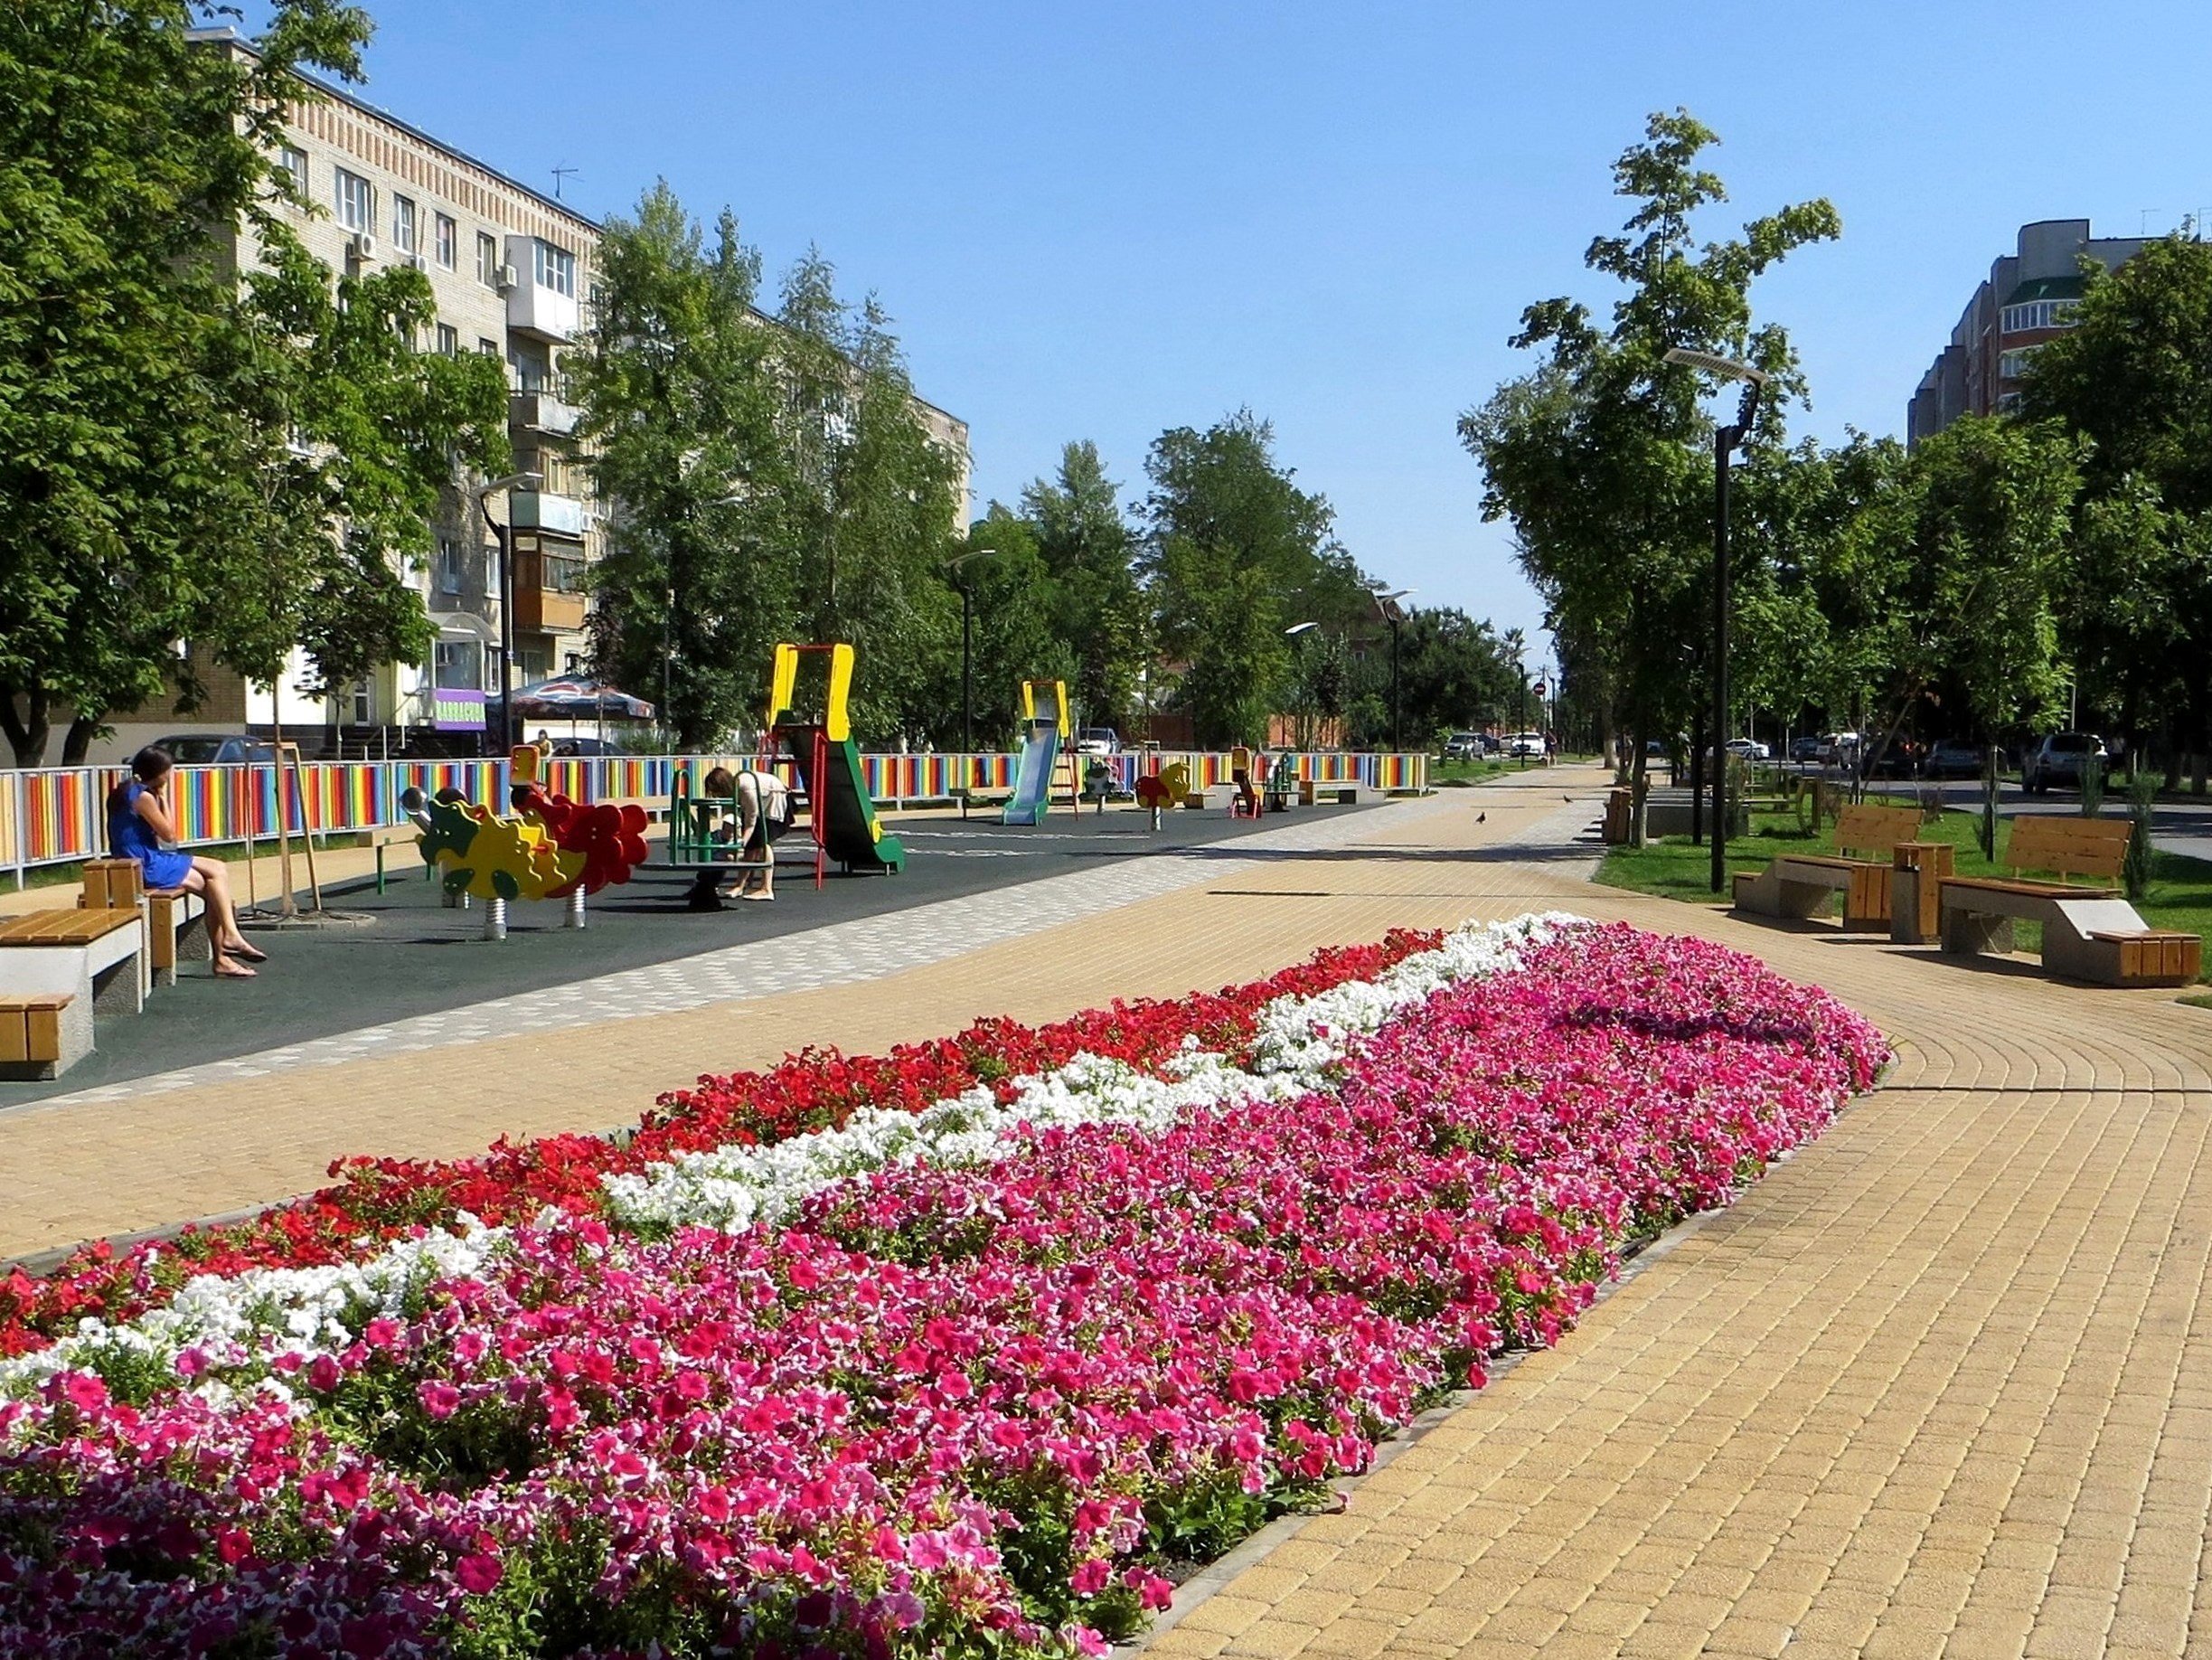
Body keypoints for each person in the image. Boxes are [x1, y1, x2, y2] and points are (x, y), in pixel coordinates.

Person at [106, 747, 266, 980]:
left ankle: (223, 959)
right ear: (159, 773)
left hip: (139, 860)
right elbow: (169, 835)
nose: (170, 774)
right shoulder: (143, 797)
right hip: (145, 864)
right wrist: (163, 796)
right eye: (168, 770)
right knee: (218, 869)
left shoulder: (127, 790)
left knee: (217, 893)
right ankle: (231, 936)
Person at [701, 763, 794, 901]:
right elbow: (731, 813)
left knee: (761, 843)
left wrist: (741, 842)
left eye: (716, 791)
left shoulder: (746, 789)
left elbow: (750, 821)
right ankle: (739, 885)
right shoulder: (735, 788)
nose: (716, 795)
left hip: (776, 803)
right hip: (763, 805)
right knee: (751, 847)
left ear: (723, 786)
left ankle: (766, 888)